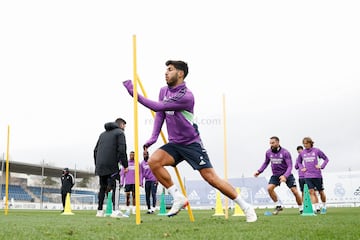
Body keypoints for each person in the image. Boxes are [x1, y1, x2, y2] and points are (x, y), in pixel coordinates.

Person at [122, 60, 257, 222]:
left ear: (180, 74)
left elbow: (158, 107)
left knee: (212, 179)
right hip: (174, 144)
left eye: (170, 70)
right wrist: (153, 137)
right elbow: (160, 114)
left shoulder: (186, 95)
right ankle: (178, 197)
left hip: (191, 143)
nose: (166, 73)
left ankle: (246, 206)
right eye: (166, 70)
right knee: (154, 162)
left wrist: (134, 94)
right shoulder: (163, 90)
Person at [254, 136, 303, 215]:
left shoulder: (285, 152)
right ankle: (278, 206)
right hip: (276, 175)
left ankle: (301, 209)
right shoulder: (268, 152)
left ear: (278, 142)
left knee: (295, 192)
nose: (271, 145)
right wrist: (259, 171)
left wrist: (285, 176)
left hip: (287, 174)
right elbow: (266, 163)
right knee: (269, 188)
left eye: (273, 143)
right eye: (270, 143)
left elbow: (290, 166)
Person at [94, 118, 129, 218]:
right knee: (116, 186)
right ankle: (116, 211)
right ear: (121, 124)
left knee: (102, 187)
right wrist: (125, 165)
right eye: (124, 125)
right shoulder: (120, 133)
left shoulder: (102, 134)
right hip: (112, 165)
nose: (125, 128)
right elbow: (122, 150)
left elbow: (95, 151)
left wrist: (97, 164)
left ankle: (99, 211)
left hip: (100, 165)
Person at [296, 137, 329, 214]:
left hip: (317, 175)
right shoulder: (302, 153)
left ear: (311, 143)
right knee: (311, 191)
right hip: (307, 175)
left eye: (307, 143)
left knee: (321, 191)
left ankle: (324, 206)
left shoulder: (317, 151)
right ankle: (316, 208)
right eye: (304, 143)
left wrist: (321, 166)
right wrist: (302, 168)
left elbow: (326, 159)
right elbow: (299, 162)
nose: (305, 145)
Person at [294, 145, 319, 212]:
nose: (300, 152)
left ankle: (317, 207)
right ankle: (304, 207)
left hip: (309, 176)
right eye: (298, 151)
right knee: (303, 192)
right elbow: (296, 167)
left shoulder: (308, 156)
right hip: (301, 177)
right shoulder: (298, 159)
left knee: (313, 192)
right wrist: (298, 162)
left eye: (301, 150)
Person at [121, 151, 142, 216]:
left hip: (135, 183)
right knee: (127, 196)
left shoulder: (137, 163)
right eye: (131, 155)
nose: (132, 156)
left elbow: (140, 173)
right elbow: (122, 173)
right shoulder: (126, 163)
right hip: (127, 183)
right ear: (129, 156)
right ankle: (127, 209)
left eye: (133, 155)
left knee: (134, 196)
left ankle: (134, 210)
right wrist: (122, 182)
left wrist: (140, 182)